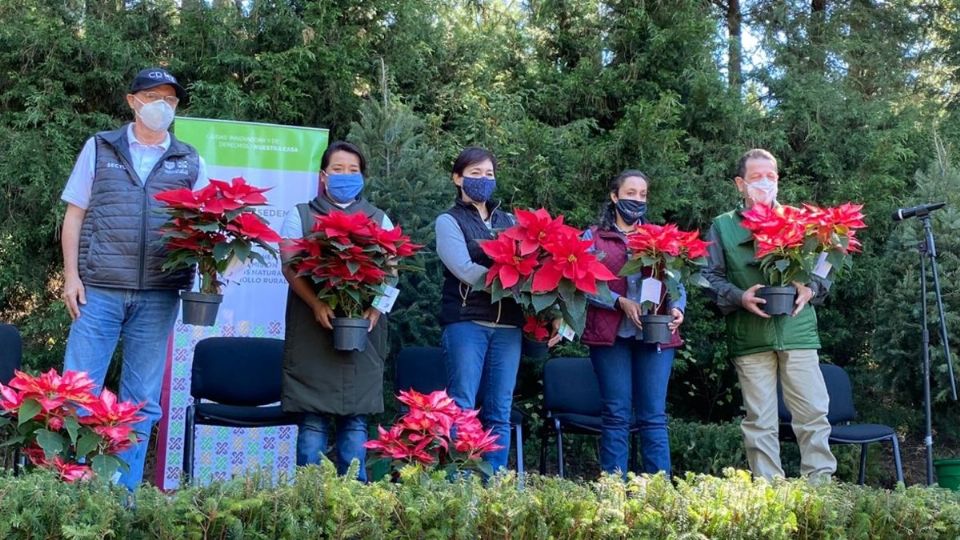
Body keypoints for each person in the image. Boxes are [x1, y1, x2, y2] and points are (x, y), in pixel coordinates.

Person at [60, 67, 208, 490]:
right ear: (131, 101)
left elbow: (211, 221)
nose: (162, 105)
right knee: (77, 393)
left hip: (159, 296)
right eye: (153, 96)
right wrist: (71, 276)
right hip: (98, 290)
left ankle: (122, 497)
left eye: (171, 99)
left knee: (140, 403)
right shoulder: (99, 147)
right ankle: (74, 491)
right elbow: (74, 215)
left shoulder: (189, 159)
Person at [702, 148, 836, 482]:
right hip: (750, 335)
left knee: (813, 413)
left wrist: (812, 288)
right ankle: (769, 494)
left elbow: (827, 259)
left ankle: (820, 490)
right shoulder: (722, 226)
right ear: (740, 184)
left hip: (797, 330)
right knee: (759, 419)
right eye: (756, 177)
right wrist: (738, 296)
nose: (765, 183)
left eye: (771, 176)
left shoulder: (801, 220)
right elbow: (708, 276)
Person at [279, 141, 392, 481]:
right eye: (338, 169)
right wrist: (316, 303)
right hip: (314, 330)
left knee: (356, 421)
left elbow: (393, 271)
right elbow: (289, 266)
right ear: (323, 176)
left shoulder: (379, 219)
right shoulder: (299, 214)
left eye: (353, 170)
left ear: (363, 177)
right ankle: (309, 501)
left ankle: (352, 505)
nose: (345, 176)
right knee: (312, 420)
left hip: (364, 335)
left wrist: (374, 311)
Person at [580, 170, 685, 478]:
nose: (637, 200)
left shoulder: (659, 237)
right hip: (610, 336)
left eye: (642, 194)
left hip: (657, 334)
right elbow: (584, 282)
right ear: (614, 197)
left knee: (653, 416)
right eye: (630, 193)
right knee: (616, 414)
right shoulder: (592, 236)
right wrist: (619, 302)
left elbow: (679, 281)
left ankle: (658, 493)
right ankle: (614, 491)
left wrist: (678, 308)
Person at [435, 147, 525, 473]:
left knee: (500, 410)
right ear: (457, 178)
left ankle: (495, 486)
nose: (483, 180)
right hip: (466, 321)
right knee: (462, 404)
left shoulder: (511, 222)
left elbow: (531, 263)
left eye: (488, 174)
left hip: (509, 327)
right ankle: (459, 484)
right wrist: (510, 283)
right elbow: (462, 267)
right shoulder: (448, 220)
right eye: (475, 173)